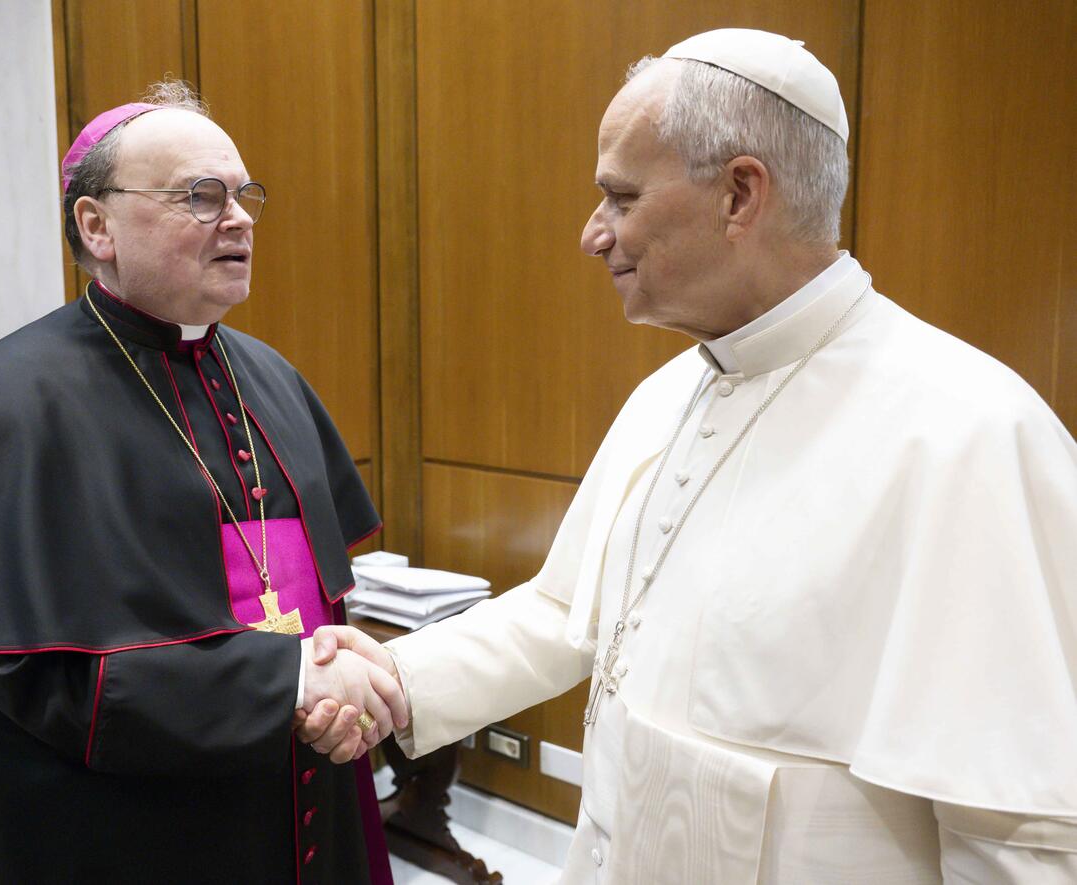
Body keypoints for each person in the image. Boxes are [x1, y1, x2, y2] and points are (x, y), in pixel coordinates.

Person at [302, 28, 1077, 883]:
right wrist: (398, 675)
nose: (593, 235)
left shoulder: (972, 435)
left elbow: (1021, 838)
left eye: (621, 197)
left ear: (740, 194)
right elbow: (567, 613)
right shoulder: (667, 392)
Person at [0, 82, 406, 883]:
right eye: (200, 196)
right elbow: (37, 677)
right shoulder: (0, 405)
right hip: (104, 826)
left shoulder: (274, 378)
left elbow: (315, 604)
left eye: (243, 195)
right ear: (96, 225)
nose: (237, 219)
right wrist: (285, 682)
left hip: (290, 782)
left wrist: (332, 688)